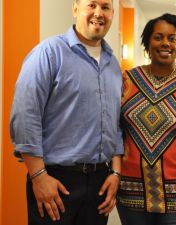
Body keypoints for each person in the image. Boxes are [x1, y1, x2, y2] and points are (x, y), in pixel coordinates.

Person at [10, 0, 123, 224]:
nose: (98, 13)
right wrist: (39, 176)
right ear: (75, 8)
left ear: (112, 13)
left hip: (100, 182)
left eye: (105, 7)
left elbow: (115, 123)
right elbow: (25, 116)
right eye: (91, 5)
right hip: (55, 180)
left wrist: (115, 173)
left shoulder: (113, 64)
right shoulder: (48, 53)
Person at [116, 13, 176, 225]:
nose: (165, 43)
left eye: (172, 38)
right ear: (147, 43)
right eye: (158, 37)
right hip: (131, 192)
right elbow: (115, 132)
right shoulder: (126, 81)